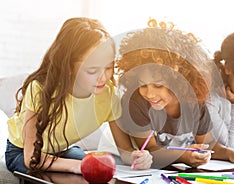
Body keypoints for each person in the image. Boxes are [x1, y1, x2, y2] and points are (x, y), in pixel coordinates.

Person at [5, 17, 152, 174]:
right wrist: (76, 166)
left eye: (108, 67)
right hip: (21, 152)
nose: (103, 78)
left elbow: (125, 151)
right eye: (92, 71)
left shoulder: (109, 95)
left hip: (61, 151)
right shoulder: (41, 89)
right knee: (60, 179)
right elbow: (31, 158)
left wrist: (137, 157)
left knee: (96, 172)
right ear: (68, 66)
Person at [115, 18, 234, 169]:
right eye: (143, 85)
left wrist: (230, 154)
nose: (149, 93)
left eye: (158, 85)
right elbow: (151, 150)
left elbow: (209, 144)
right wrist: (184, 157)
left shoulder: (193, 102)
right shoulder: (136, 102)